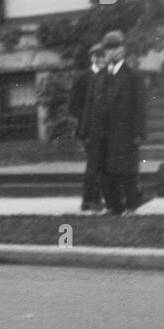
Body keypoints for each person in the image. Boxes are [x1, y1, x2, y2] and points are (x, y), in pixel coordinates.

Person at [84, 30, 148, 216]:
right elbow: (91, 106)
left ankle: (131, 206)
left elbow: (140, 107)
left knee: (126, 171)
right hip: (101, 133)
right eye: (108, 48)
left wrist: (139, 133)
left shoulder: (133, 76)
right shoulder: (100, 76)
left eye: (116, 47)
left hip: (124, 132)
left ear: (123, 49)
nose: (112, 52)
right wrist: (87, 131)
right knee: (104, 171)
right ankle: (113, 206)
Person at [70, 42, 108, 213]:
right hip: (89, 129)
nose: (100, 58)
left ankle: (95, 199)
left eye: (102, 55)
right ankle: (90, 200)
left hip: (106, 129)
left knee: (102, 164)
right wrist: (88, 119)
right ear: (92, 57)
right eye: (97, 55)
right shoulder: (83, 77)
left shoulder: (109, 76)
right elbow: (73, 106)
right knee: (94, 164)